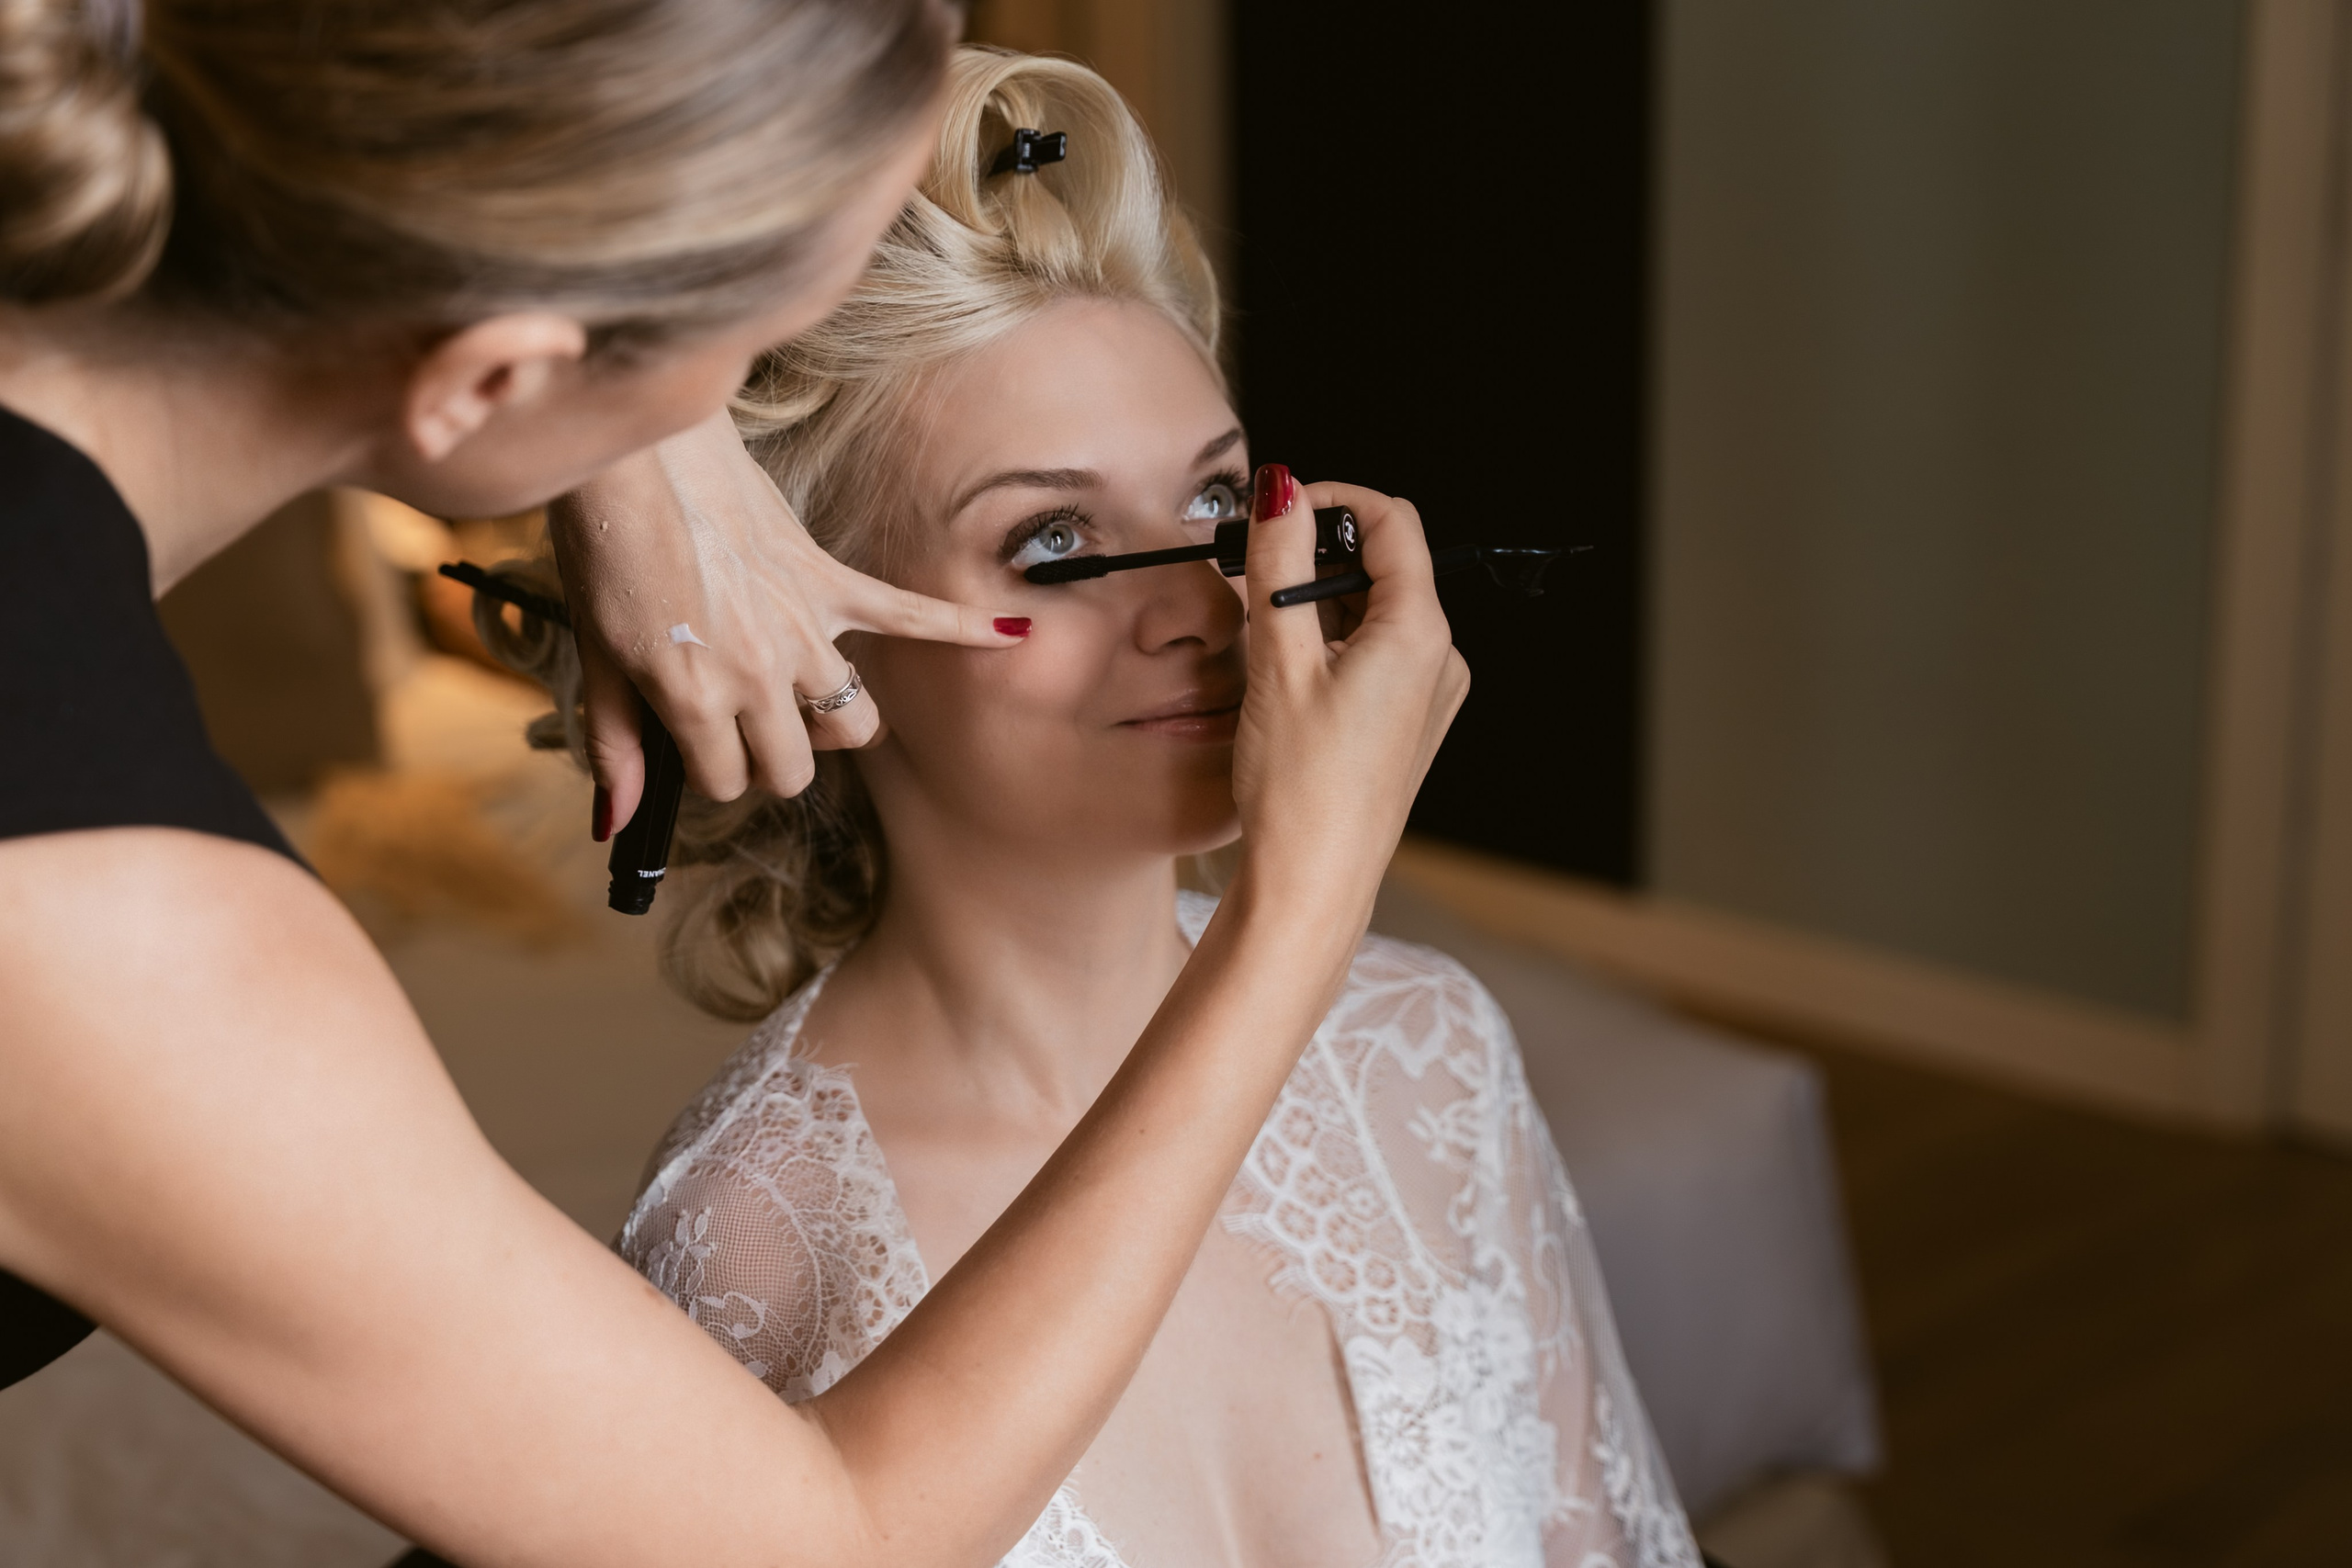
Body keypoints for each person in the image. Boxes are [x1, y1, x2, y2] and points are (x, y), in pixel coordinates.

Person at [0, 4, 1467, 1564]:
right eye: (746, 342)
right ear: (495, 367)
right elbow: (831, 1542)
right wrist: (1304, 905)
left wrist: (627, 440)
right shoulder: (106, 915)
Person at [492, 48, 1702, 1567]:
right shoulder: (754, 1235)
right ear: (809, 637)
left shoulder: (1432, 1054)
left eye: (1216, 506)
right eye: (1056, 545)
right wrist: (1306, 903)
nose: (1205, 604)